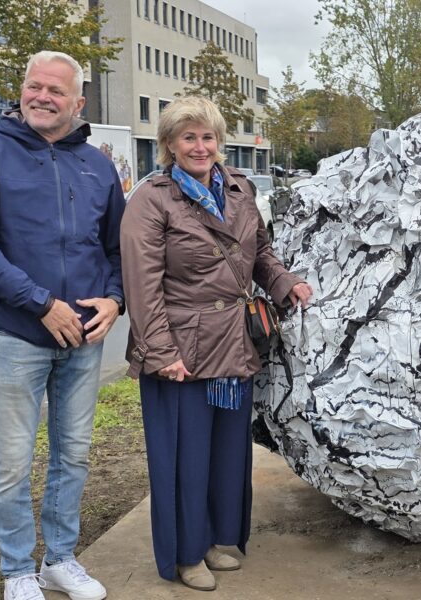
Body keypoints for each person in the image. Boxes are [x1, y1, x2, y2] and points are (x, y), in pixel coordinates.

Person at [0, 51, 123, 600]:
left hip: (83, 338)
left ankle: (60, 559)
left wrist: (116, 300)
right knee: (13, 461)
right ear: (22, 91)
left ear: (78, 102)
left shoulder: (97, 165)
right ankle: (17, 569)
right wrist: (42, 303)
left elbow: (118, 249)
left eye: (55, 90)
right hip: (16, 333)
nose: (42, 97)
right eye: (34, 86)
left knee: (73, 453)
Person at [120, 96, 313, 592]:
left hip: (234, 346)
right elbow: (142, 286)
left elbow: (260, 253)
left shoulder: (240, 189)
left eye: (207, 137)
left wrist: (284, 283)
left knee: (227, 454)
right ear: (169, 145)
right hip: (180, 350)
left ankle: (218, 539)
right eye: (188, 137)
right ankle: (186, 555)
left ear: (219, 142)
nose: (200, 146)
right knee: (183, 458)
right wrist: (161, 353)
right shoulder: (152, 199)